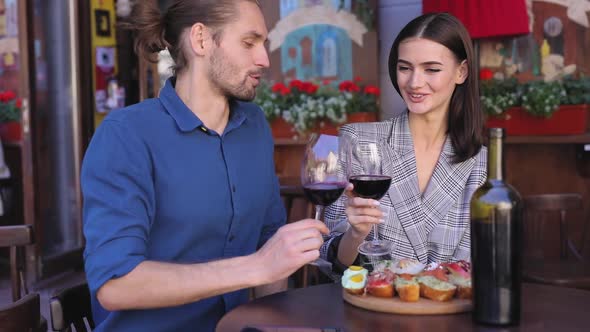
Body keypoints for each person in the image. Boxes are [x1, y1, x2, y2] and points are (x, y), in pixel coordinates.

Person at [81, 1, 328, 331]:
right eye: (248, 42)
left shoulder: (253, 126)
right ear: (200, 40)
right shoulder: (126, 136)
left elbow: (269, 245)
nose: (264, 59)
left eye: (263, 44)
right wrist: (255, 267)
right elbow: (116, 285)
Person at [319, 12, 487, 272]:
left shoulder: (482, 163)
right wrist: (356, 234)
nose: (414, 82)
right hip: (369, 305)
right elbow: (328, 259)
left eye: (431, 69)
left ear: (461, 72)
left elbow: (480, 267)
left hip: (450, 307)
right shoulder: (356, 139)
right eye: (404, 68)